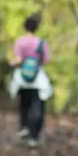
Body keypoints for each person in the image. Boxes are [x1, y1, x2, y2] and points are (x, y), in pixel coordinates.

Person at [9, 13, 52, 146]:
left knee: (24, 104)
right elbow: (46, 61)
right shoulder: (41, 43)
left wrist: (12, 63)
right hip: (37, 79)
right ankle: (34, 136)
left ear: (25, 27)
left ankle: (24, 127)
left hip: (22, 79)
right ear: (36, 28)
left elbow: (18, 59)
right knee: (37, 106)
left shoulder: (19, 41)